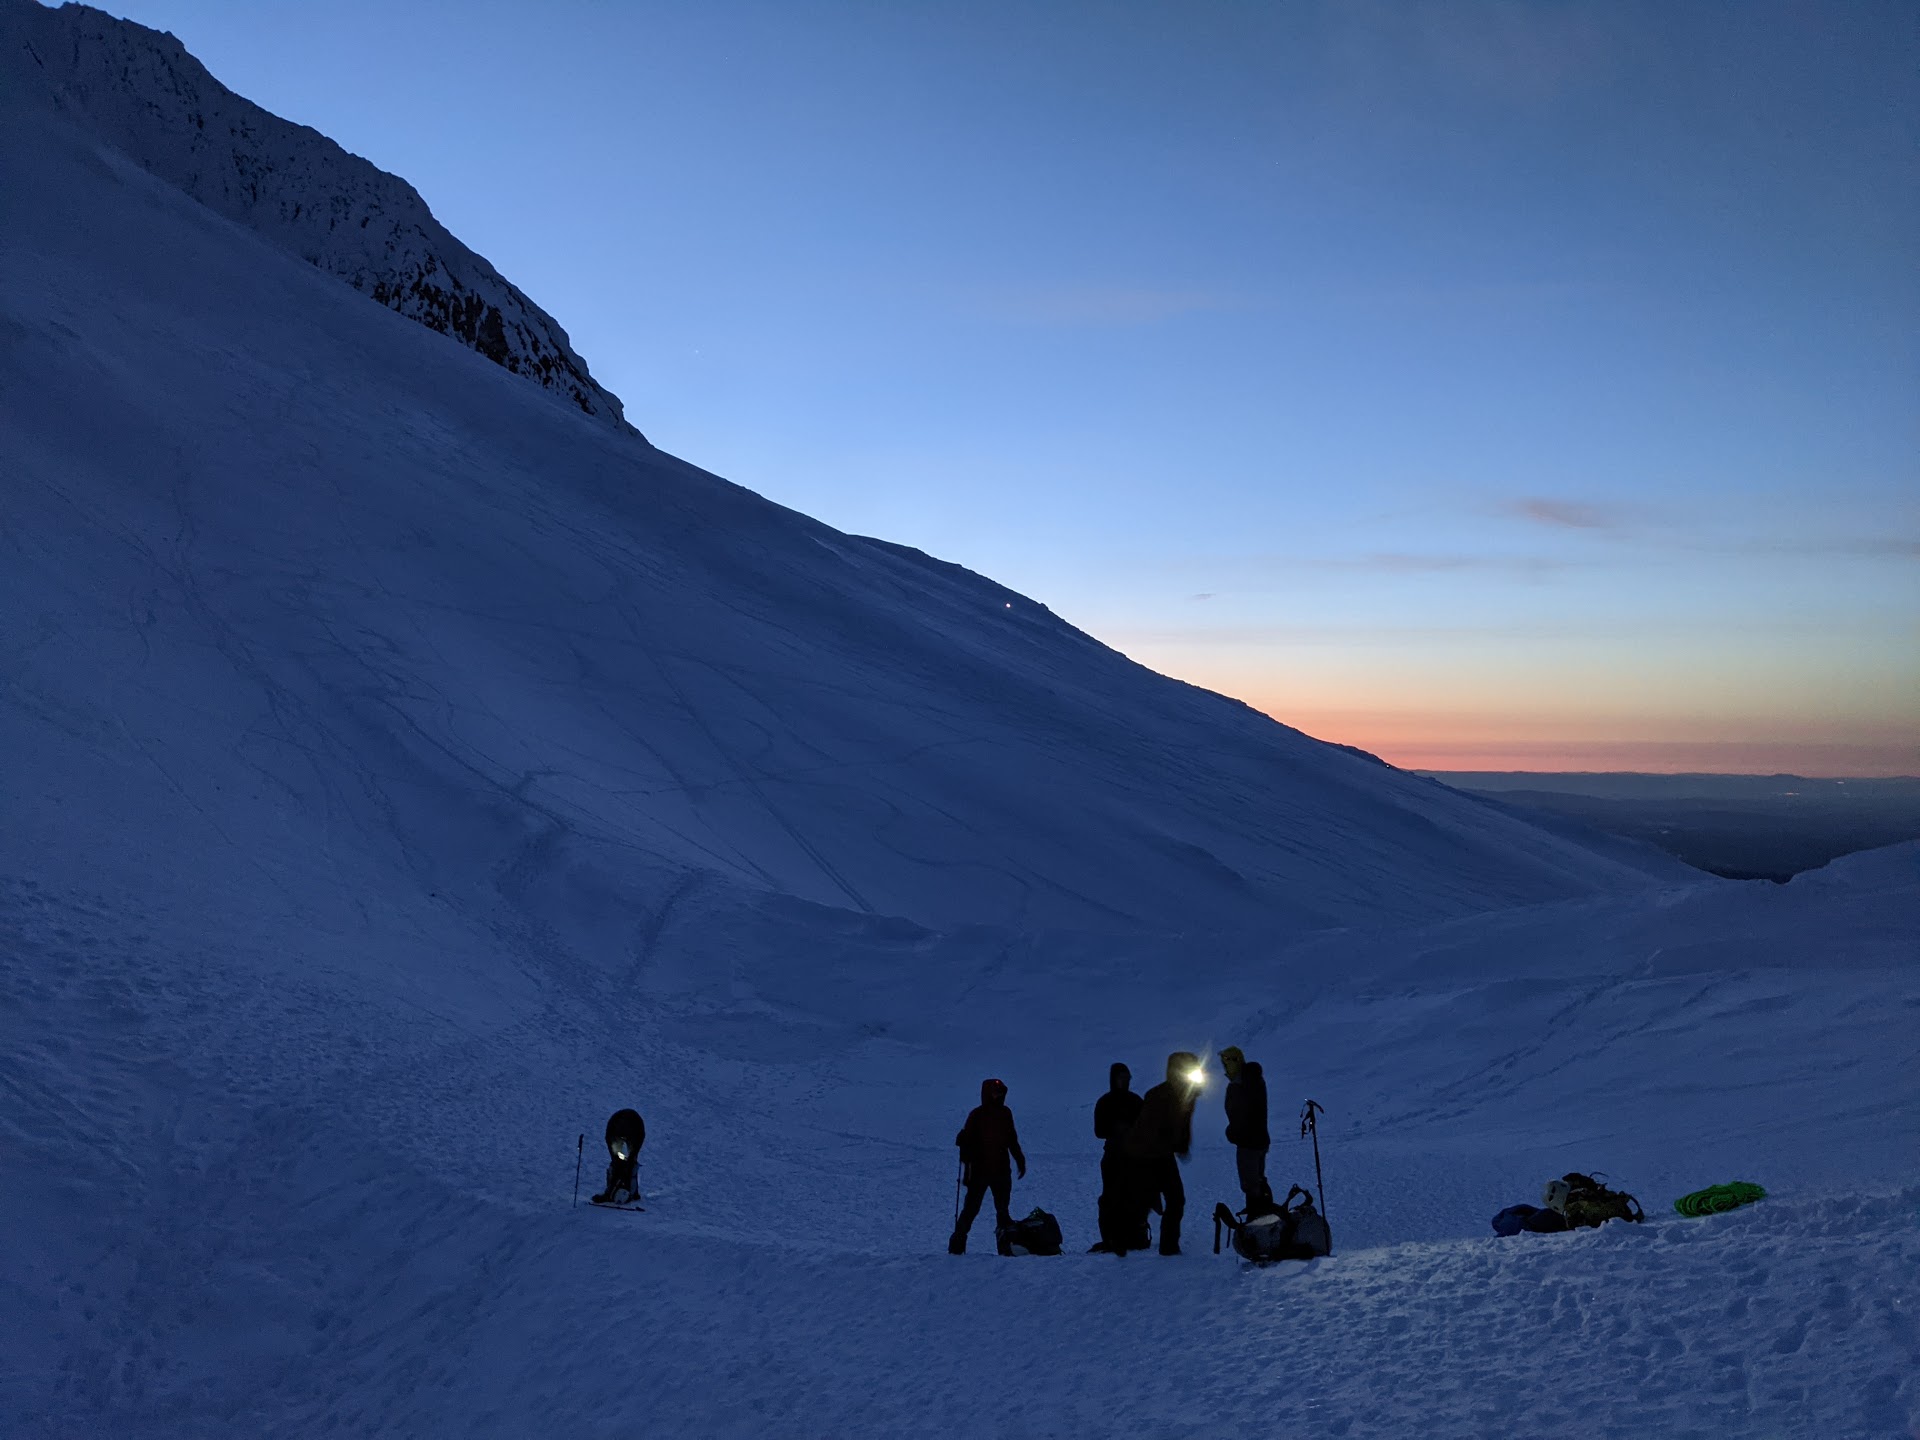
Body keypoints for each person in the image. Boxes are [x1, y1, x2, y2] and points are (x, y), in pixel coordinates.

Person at [1123, 1052, 1203, 1255]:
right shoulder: (1159, 1095)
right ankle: (1137, 1241)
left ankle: (1165, 1245)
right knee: (1157, 1199)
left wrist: (1182, 1144)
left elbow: (1183, 1122)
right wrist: (1175, 1144)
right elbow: (1151, 1130)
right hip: (1148, 1155)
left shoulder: (1186, 1094)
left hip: (1160, 1154)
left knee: (1169, 1200)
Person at [949, 1077, 1026, 1255]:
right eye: (995, 1092)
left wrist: (1019, 1159)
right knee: (971, 1210)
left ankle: (1005, 1248)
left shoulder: (1005, 1113)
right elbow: (967, 1147)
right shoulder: (977, 1115)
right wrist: (967, 1172)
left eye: (1000, 1093)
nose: (998, 1096)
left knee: (1002, 1211)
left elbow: (1012, 1139)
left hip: (1001, 1171)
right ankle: (957, 1248)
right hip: (980, 1173)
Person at [1090, 1062, 1146, 1253]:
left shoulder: (1135, 1101)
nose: (1125, 1081)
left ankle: (1133, 1237)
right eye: (1122, 1077)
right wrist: (1117, 1129)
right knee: (1111, 1199)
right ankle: (1111, 1238)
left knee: (1133, 1197)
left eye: (1127, 1078)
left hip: (1134, 1158)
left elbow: (1146, 1127)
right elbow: (1099, 1131)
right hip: (1113, 1157)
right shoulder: (1105, 1102)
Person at [1220, 1046, 1273, 1214]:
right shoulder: (1252, 1080)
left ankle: (1258, 1215)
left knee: (1251, 1184)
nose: (1225, 1067)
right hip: (1258, 1140)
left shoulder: (1242, 1084)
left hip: (1249, 1143)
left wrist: (1232, 1133)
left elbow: (1242, 1115)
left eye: (1226, 1063)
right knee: (1257, 1180)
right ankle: (1262, 1212)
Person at [591, 1107, 646, 1205]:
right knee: (618, 1163)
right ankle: (617, 1191)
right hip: (622, 1125)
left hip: (636, 1127)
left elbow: (627, 1160)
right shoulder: (611, 1132)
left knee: (629, 1163)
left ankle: (628, 1192)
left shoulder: (632, 1130)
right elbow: (617, 1159)